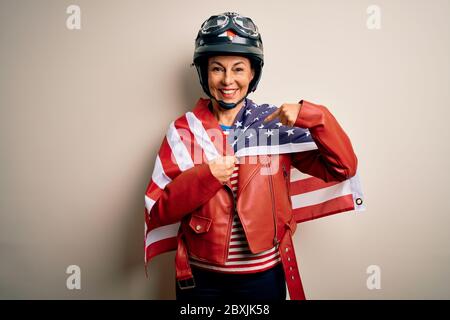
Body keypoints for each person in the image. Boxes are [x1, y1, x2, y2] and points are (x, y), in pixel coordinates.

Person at [144, 12, 358, 301]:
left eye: (238, 69)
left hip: (264, 278)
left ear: (253, 73)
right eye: (217, 68)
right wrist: (206, 176)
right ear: (204, 73)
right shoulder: (184, 131)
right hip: (200, 281)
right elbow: (159, 212)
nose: (228, 80)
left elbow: (343, 168)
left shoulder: (274, 127)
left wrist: (315, 116)